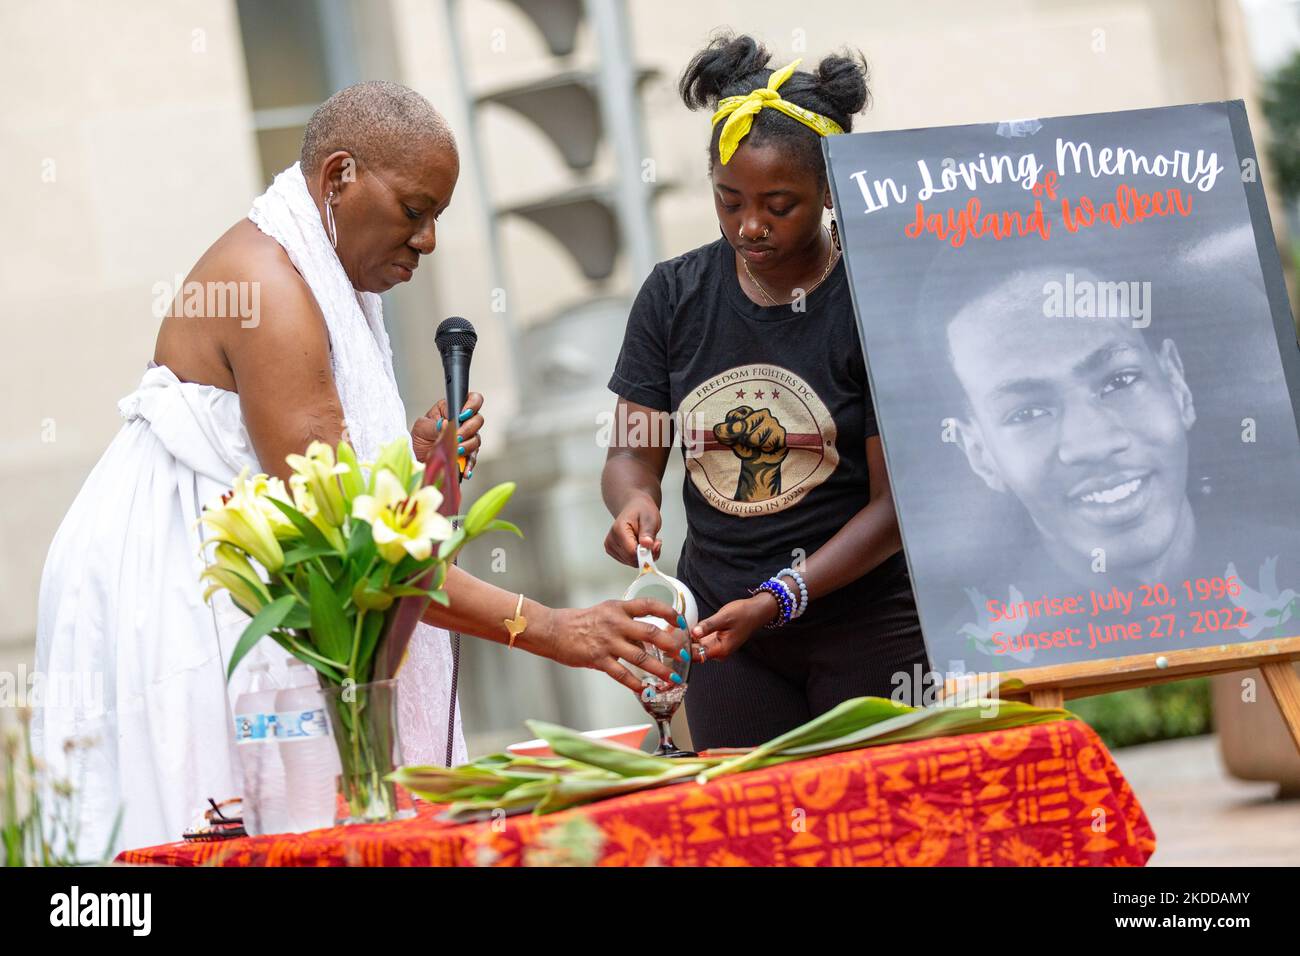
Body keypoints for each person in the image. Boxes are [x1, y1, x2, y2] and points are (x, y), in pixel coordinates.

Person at [34, 81, 687, 856]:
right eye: (416, 211)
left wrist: (414, 470)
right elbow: (354, 551)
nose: (429, 241)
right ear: (338, 177)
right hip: (176, 595)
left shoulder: (310, 266)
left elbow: (334, 503)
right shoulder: (272, 293)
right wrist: (551, 626)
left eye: (438, 217)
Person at [601, 35, 930, 751]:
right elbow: (634, 454)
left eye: (779, 204)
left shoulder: (872, 298)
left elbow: (897, 506)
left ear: (829, 190)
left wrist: (781, 597)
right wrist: (635, 504)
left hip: (866, 624)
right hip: (724, 634)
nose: (750, 225)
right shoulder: (674, 297)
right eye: (729, 201)